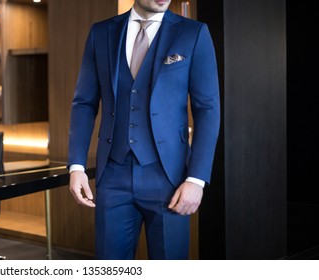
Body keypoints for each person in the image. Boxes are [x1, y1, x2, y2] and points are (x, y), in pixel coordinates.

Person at [67, 0, 220, 260]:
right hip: (113, 176)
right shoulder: (101, 33)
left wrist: (196, 179)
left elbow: (207, 109)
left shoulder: (193, 33)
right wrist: (76, 166)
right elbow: (84, 103)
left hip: (170, 178)